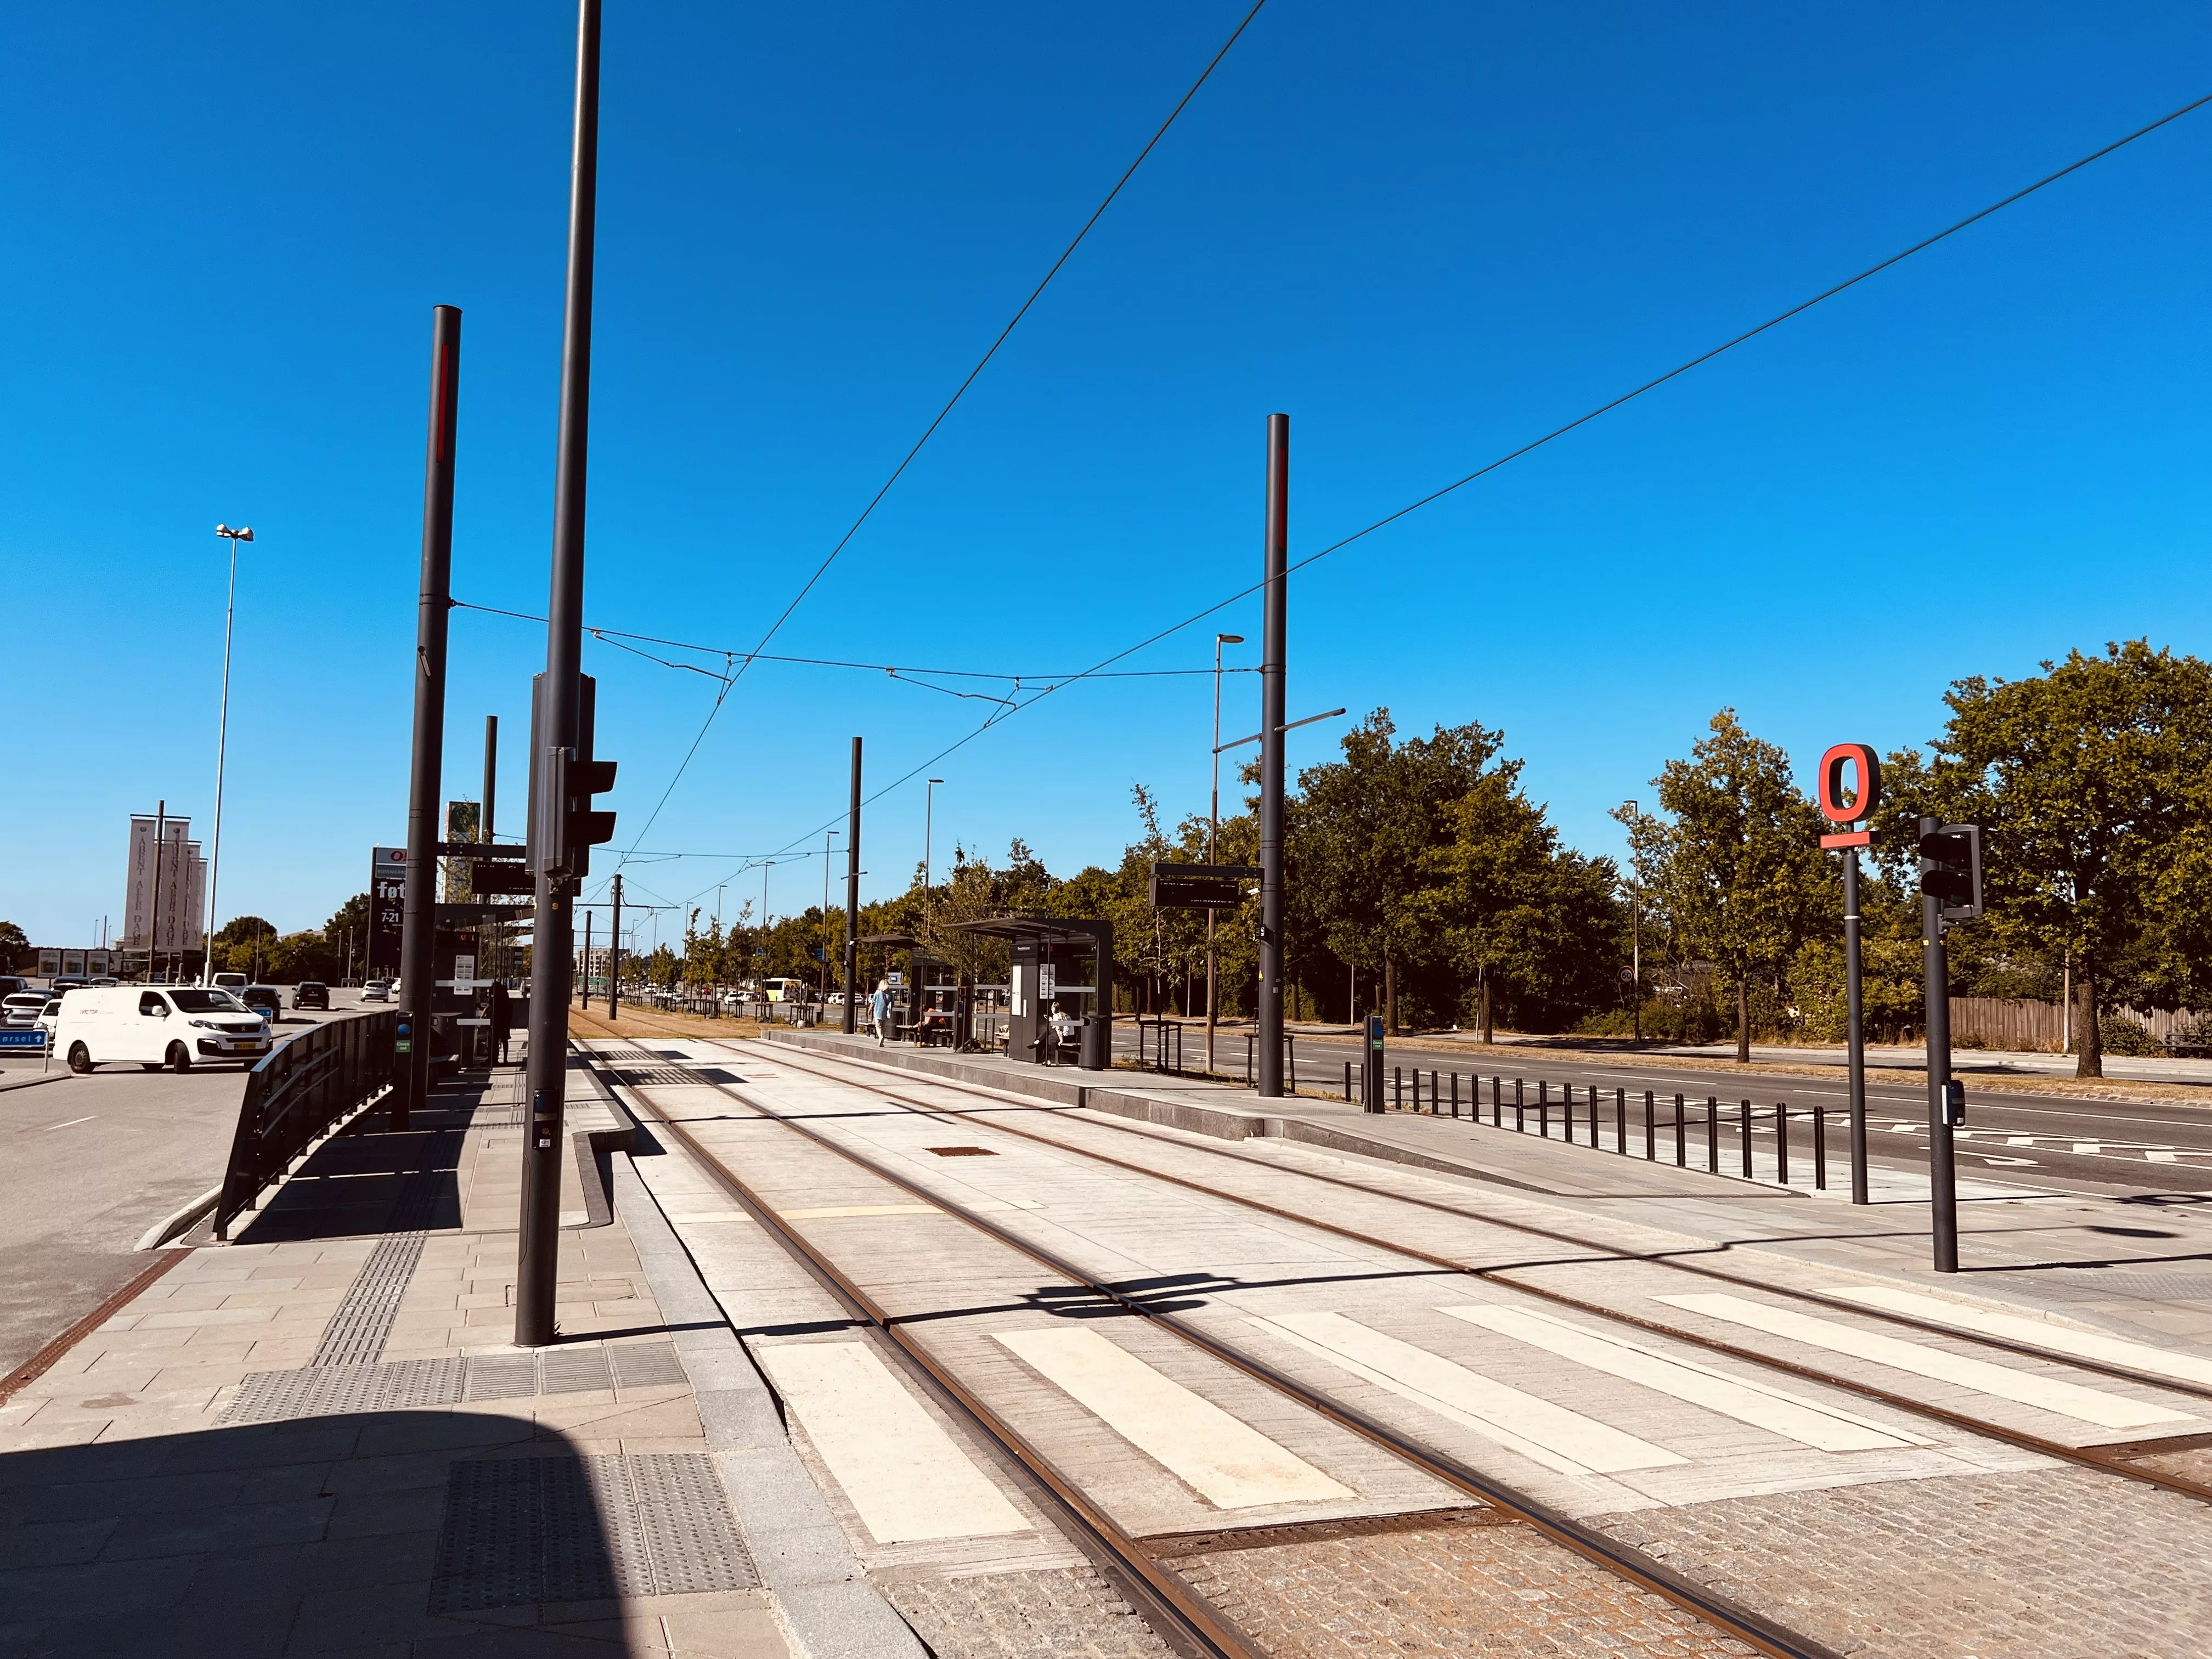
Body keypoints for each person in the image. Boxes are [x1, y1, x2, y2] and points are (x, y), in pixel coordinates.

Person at [487, 979, 513, 1064]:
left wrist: (482, 1018)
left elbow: (487, 1008)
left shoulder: (494, 999)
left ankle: (494, 1059)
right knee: (505, 1040)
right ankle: (505, 1059)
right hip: (505, 1022)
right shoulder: (506, 998)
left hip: (496, 1022)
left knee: (494, 1040)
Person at [871, 980, 891, 1047]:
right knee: (883, 1027)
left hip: (878, 1012)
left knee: (878, 1027)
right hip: (885, 1013)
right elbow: (892, 1003)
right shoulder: (890, 993)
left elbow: (873, 1001)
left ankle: (880, 1037)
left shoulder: (878, 992)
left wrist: (870, 1009)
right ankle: (882, 1042)